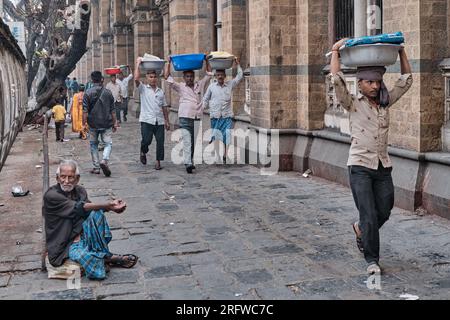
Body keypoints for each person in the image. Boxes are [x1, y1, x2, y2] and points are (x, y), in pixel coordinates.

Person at [330, 38, 413, 275]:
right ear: (360, 84)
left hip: (382, 166)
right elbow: (336, 81)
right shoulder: (353, 104)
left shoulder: (386, 104)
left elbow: (406, 81)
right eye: (369, 82)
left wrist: (401, 51)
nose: (375, 86)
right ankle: (372, 260)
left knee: (384, 209)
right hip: (359, 167)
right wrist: (336, 51)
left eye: (377, 82)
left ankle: (360, 228)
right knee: (368, 212)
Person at [43, 160, 138, 280]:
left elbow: (89, 209)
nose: (66, 181)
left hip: (82, 237)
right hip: (65, 245)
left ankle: (103, 256)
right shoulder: (51, 195)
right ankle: (109, 258)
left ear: (77, 179)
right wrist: (107, 205)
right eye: (63, 177)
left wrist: (111, 208)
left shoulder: (80, 191)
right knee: (87, 259)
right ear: (57, 178)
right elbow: (79, 207)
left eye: (70, 177)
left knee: (96, 213)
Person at [163, 56, 213, 173]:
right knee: (187, 140)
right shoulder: (180, 87)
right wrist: (169, 62)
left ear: (194, 77)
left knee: (194, 141)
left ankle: (190, 159)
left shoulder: (199, 85)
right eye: (187, 77)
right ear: (184, 78)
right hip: (185, 117)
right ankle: (188, 163)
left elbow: (209, 74)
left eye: (191, 76)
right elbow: (167, 77)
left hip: (196, 117)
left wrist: (206, 60)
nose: (189, 78)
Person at [202, 57, 243, 164]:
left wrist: (237, 64)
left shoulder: (229, 85)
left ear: (225, 76)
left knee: (227, 136)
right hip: (215, 116)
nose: (220, 77)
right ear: (215, 76)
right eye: (218, 75)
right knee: (216, 136)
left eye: (222, 75)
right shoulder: (211, 87)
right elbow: (205, 99)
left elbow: (239, 77)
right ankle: (217, 155)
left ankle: (225, 154)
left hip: (227, 116)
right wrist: (200, 109)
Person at [134, 59, 170, 170]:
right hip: (146, 120)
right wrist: (138, 64)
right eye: (150, 77)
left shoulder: (160, 91)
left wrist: (167, 121)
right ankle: (143, 151)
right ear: (147, 78)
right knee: (146, 140)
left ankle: (158, 161)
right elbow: (136, 78)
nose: (153, 79)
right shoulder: (143, 89)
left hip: (159, 121)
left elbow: (164, 107)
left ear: (157, 78)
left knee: (160, 142)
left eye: (154, 77)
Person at [82, 71, 118, 176]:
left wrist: (84, 124)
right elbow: (113, 110)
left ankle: (96, 167)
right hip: (106, 122)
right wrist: (115, 123)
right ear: (101, 79)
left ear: (92, 80)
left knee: (93, 144)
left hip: (92, 123)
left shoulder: (87, 93)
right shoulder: (108, 92)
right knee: (108, 143)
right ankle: (105, 160)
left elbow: (85, 111)